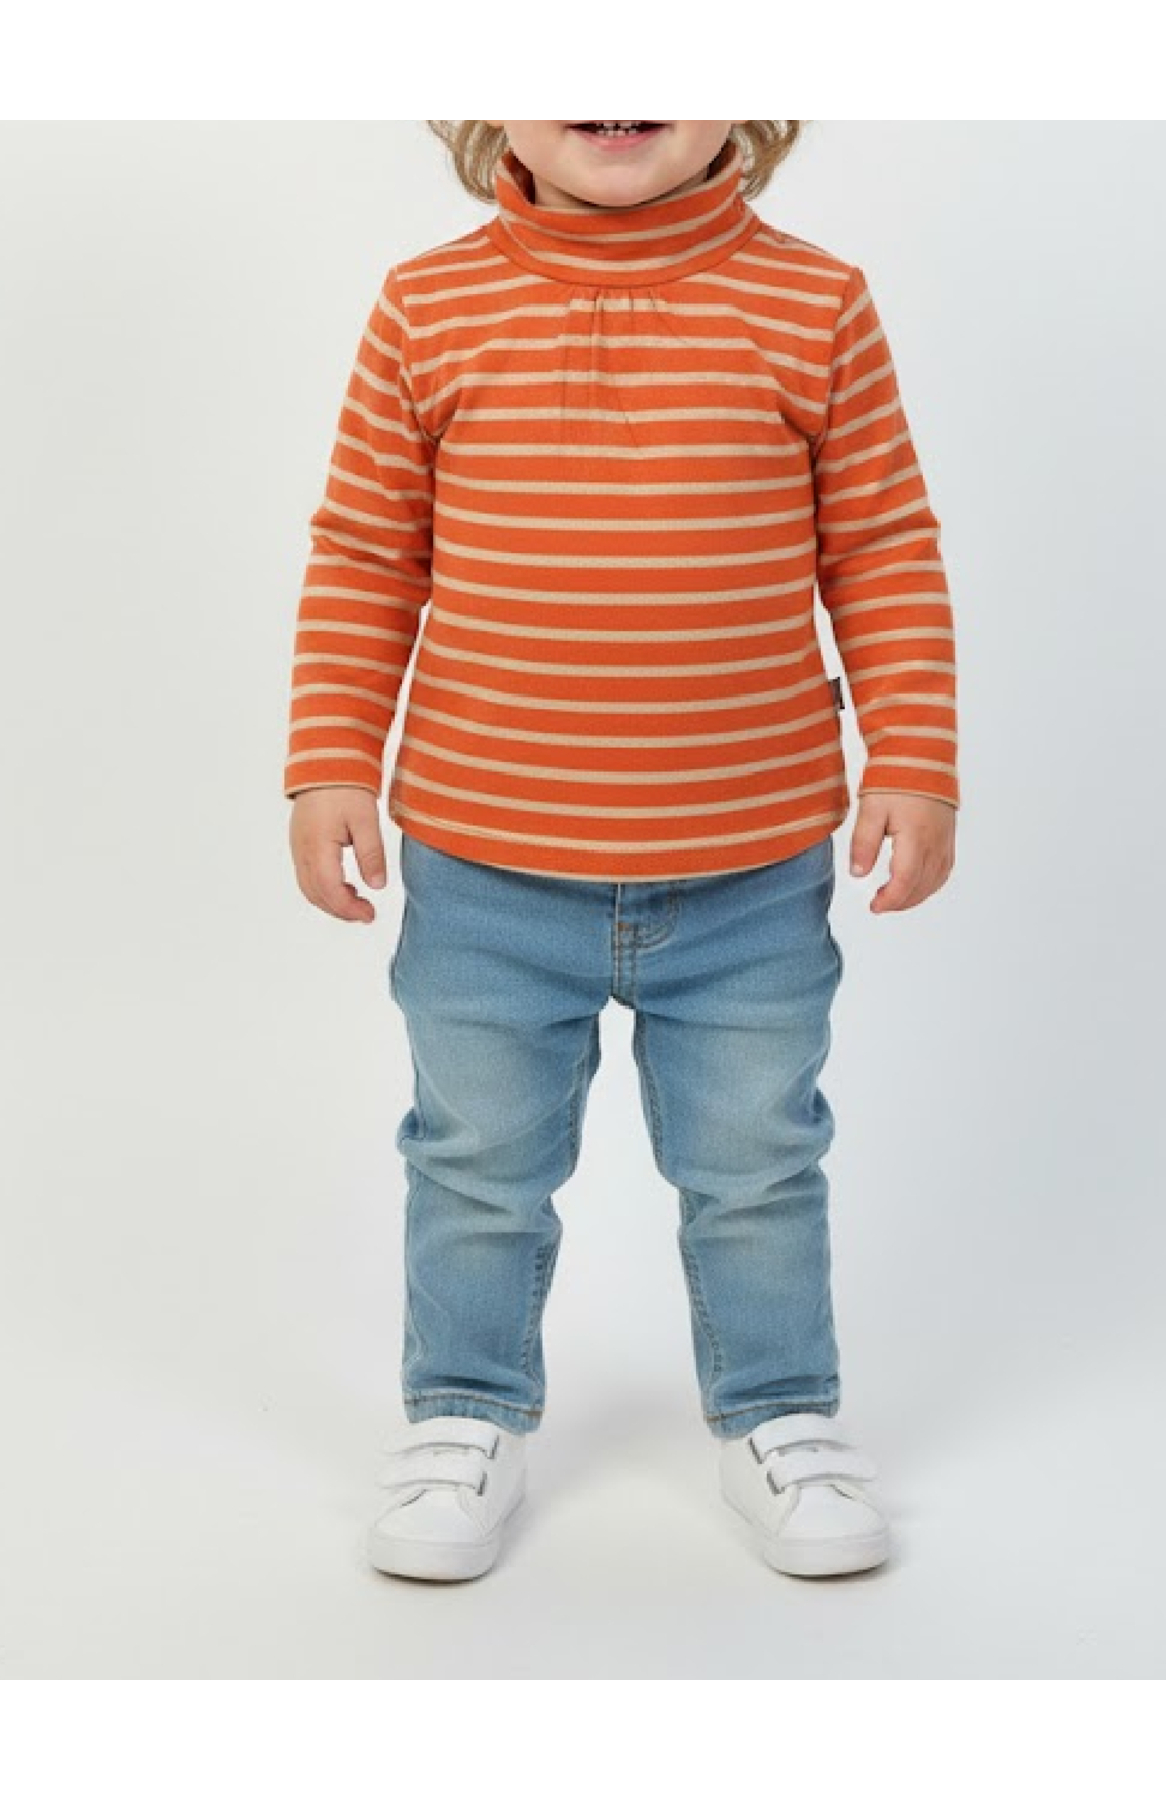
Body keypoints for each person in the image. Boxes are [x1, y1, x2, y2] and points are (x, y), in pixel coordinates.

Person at [283, 121, 960, 1583]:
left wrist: (914, 756)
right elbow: (368, 550)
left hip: (749, 874)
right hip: (483, 872)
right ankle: (463, 1413)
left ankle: (779, 1414)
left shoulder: (816, 302)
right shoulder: (427, 304)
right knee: (475, 1167)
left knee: (758, 1163)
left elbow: (882, 547)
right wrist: (331, 758)